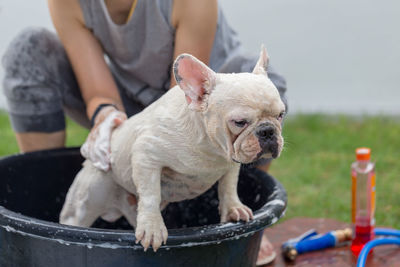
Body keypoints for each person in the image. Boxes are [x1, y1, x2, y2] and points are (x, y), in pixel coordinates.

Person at [2, 0, 287, 264]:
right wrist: (106, 117)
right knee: (29, 49)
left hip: (204, 99)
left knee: (267, 89)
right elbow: (99, 92)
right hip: (130, 104)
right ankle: (44, 196)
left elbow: (183, 95)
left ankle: (240, 213)